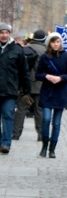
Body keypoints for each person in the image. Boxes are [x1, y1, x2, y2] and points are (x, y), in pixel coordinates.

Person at [36, 32, 67, 158]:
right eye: (53, 42)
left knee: (57, 122)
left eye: (58, 41)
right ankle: (44, 147)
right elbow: (38, 74)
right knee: (46, 119)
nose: (55, 44)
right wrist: (47, 76)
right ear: (49, 43)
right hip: (47, 91)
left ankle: (52, 149)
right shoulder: (44, 57)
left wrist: (61, 78)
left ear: (61, 43)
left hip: (61, 92)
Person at [0, 22, 31, 154]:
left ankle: (6, 143)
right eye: (1, 32)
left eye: (6, 32)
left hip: (10, 91)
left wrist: (26, 90)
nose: (4, 35)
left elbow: (24, 72)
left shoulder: (17, 50)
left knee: (7, 115)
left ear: (10, 34)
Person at [13, 29, 47, 140]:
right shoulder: (46, 51)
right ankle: (41, 134)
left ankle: (16, 134)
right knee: (39, 110)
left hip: (25, 85)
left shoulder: (24, 49)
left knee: (21, 109)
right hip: (40, 85)